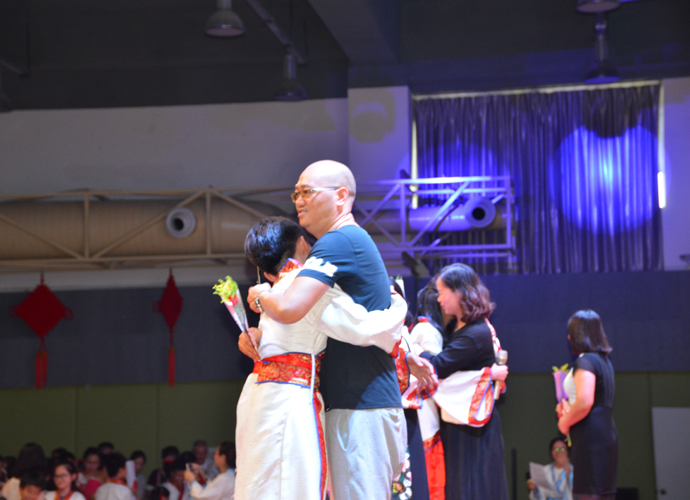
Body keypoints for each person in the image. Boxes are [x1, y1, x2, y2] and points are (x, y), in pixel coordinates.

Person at [244, 161, 435, 500]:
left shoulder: (338, 241)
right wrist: (262, 336)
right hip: (354, 402)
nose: (299, 200)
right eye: (296, 193)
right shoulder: (343, 242)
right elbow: (354, 318)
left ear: (341, 196)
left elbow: (291, 308)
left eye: (308, 191)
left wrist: (261, 296)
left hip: (361, 403)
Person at [417, 264, 509, 500]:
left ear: (459, 292)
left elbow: (439, 366)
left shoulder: (475, 334)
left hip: (473, 428)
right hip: (459, 423)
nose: (439, 299)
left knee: (472, 487)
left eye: (443, 292)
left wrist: (414, 351)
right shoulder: (462, 327)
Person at [557, 310, 617, 500]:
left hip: (590, 438)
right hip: (605, 435)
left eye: (570, 332)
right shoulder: (604, 361)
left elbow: (584, 402)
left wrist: (564, 422)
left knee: (588, 494)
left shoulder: (586, 361)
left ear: (578, 334)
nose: (568, 337)